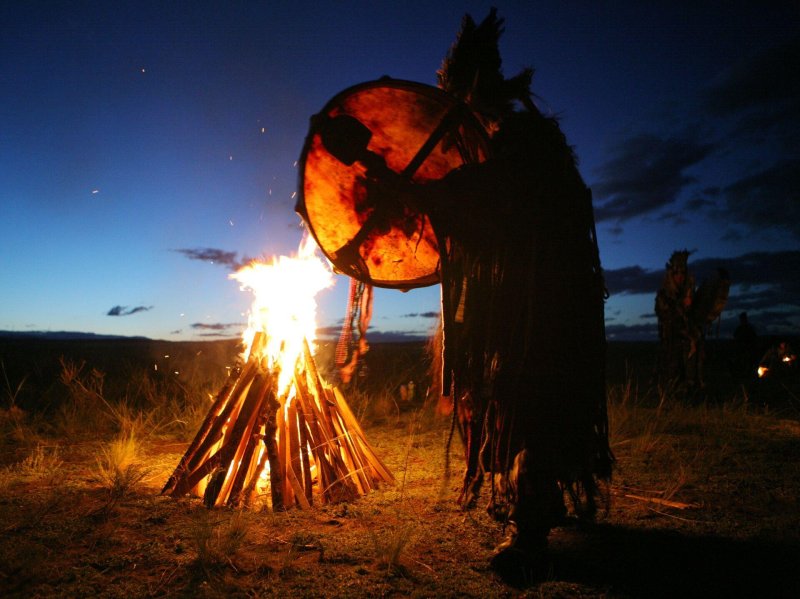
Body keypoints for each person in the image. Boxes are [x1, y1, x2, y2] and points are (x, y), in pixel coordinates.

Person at [405, 10, 612, 583]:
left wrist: (428, 192)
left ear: (472, 88)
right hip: (529, 305)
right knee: (519, 404)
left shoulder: (523, 141)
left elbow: (497, 203)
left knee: (531, 402)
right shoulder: (511, 140)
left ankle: (527, 534)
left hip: (543, 307)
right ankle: (536, 504)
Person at [654, 250, 703, 391]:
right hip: (671, 339)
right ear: (672, 275)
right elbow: (664, 314)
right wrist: (682, 305)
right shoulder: (664, 294)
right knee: (672, 374)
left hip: (688, 339)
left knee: (692, 371)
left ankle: (691, 392)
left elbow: (696, 315)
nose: (680, 277)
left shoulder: (689, 293)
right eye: (677, 274)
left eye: (683, 273)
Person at [733, 312, 758, 379]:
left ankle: (747, 376)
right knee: (744, 363)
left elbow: (754, 338)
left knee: (747, 363)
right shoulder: (741, 328)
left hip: (747, 349)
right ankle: (745, 375)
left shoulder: (748, 328)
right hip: (742, 349)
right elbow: (735, 337)